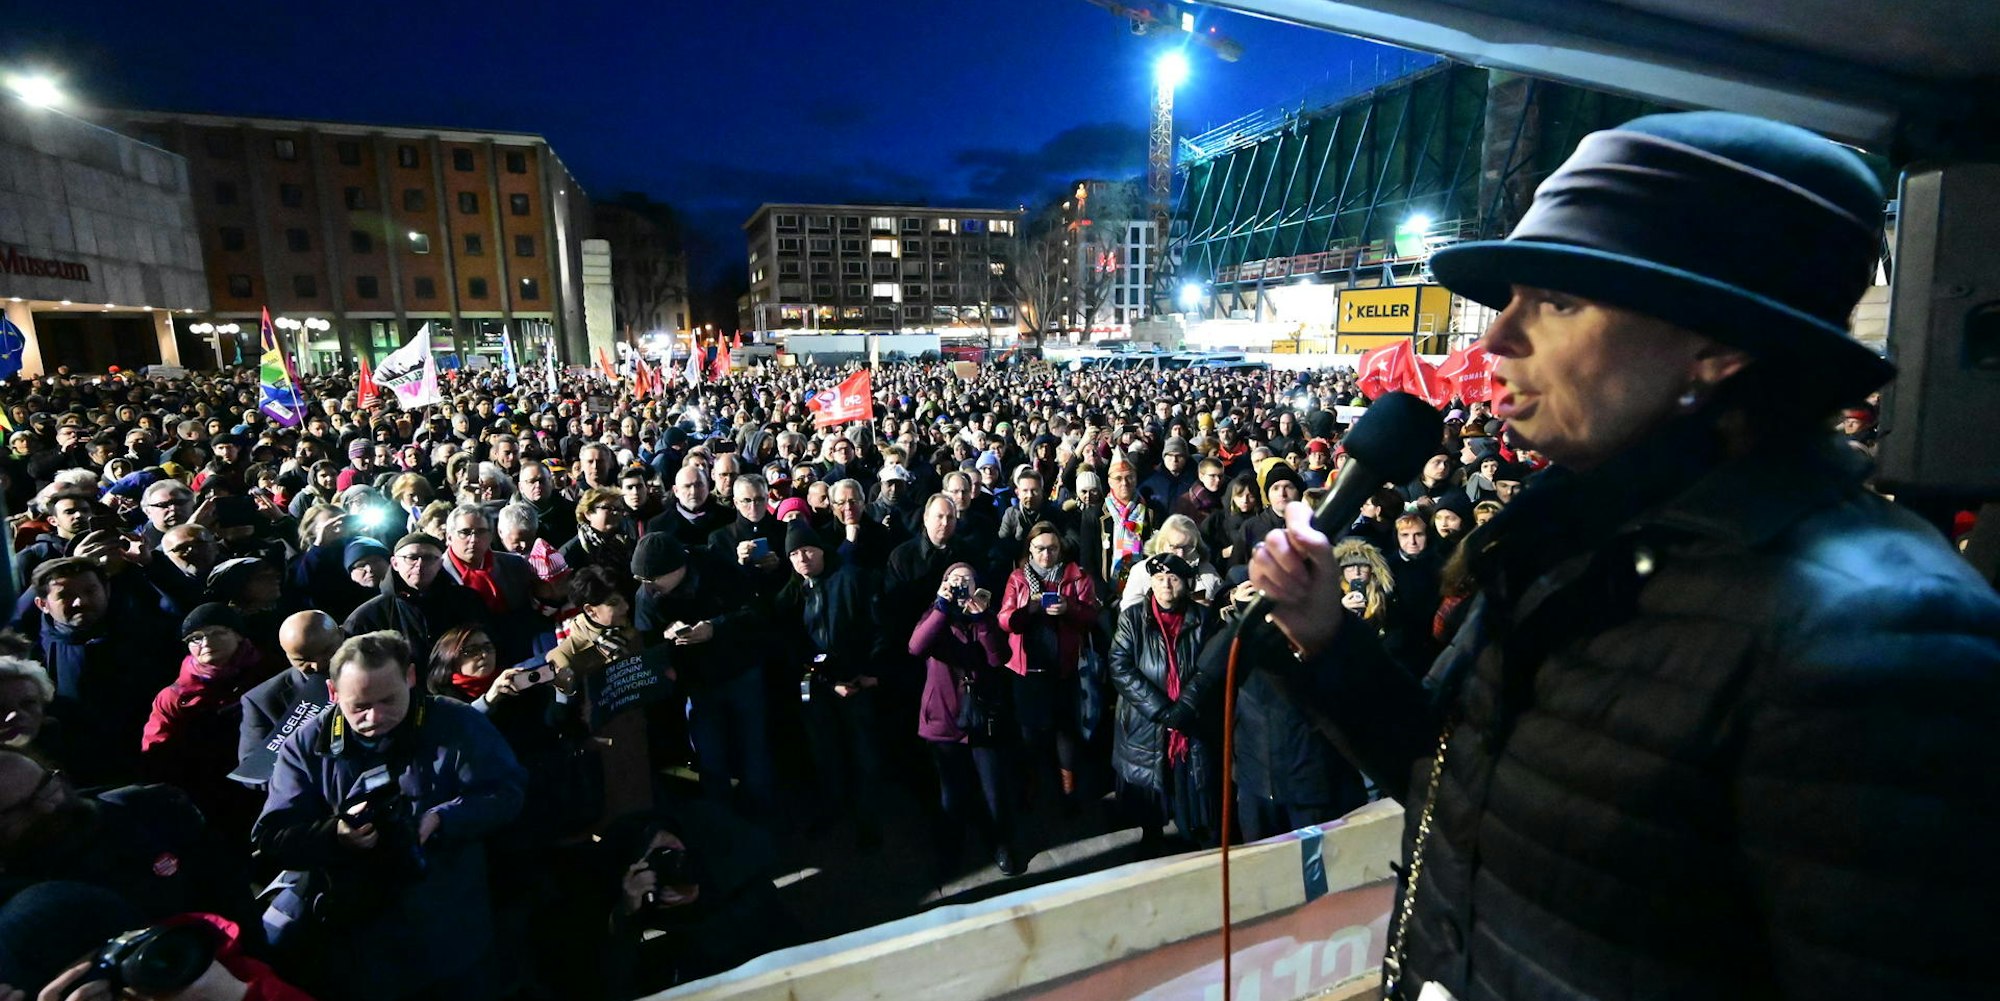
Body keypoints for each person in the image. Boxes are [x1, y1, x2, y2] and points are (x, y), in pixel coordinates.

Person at [1245, 111, 2000, 999]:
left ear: (1719, 345)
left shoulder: (1887, 638)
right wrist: (1331, 640)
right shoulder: (1561, 540)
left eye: (1558, 302)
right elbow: (1454, 782)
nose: (1493, 340)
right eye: (1511, 297)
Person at [252, 630, 526, 1001]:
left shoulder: (458, 723)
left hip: (450, 924)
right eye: (359, 707)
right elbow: (272, 836)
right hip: (359, 938)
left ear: (411, 677)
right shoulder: (306, 745)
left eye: (388, 700)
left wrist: (442, 819)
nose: (375, 717)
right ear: (333, 693)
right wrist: (337, 835)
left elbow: (507, 793)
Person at [910, 562, 1020, 877]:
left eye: (966, 580)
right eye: (953, 580)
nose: (959, 585)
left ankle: (1002, 844)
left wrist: (983, 617)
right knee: (951, 794)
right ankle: (951, 851)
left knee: (994, 788)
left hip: (982, 718)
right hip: (943, 717)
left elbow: (998, 658)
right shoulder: (934, 613)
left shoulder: (983, 614)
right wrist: (943, 606)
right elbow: (916, 646)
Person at [1108, 552, 1221, 846]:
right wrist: (1161, 710)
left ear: (1186, 582)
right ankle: (1151, 837)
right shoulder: (1133, 619)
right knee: (1150, 798)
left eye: (1172, 578)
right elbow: (1121, 668)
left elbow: (1209, 669)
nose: (1165, 585)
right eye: (1158, 579)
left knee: (1191, 799)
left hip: (1189, 720)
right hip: (1147, 722)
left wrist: (1184, 707)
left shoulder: (1203, 620)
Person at [995, 522, 1098, 812]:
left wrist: (1069, 609)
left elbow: (1091, 617)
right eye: (1040, 549)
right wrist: (1029, 608)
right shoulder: (1018, 579)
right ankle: (1031, 790)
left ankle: (1068, 792)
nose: (1046, 555)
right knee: (1030, 735)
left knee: (1066, 732)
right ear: (1029, 549)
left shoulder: (1077, 577)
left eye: (1052, 548)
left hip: (1063, 668)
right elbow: (1004, 620)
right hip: (1026, 670)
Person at [236, 611, 341, 789]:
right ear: (287, 655)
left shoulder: (378, 659)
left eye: (326, 652)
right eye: (303, 660)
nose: (317, 665)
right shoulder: (262, 701)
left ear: (342, 636)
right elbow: (253, 775)